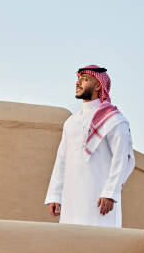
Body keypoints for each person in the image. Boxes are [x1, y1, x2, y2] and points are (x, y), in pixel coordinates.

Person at [44, 65, 135, 227]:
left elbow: (122, 159)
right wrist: (55, 195)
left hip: (100, 200)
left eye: (85, 79)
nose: (78, 83)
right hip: (71, 199)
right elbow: (61, 160)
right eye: (78, 79)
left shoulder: (114, 120)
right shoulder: (71, 122)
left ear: (99, 85)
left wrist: (110, 193)